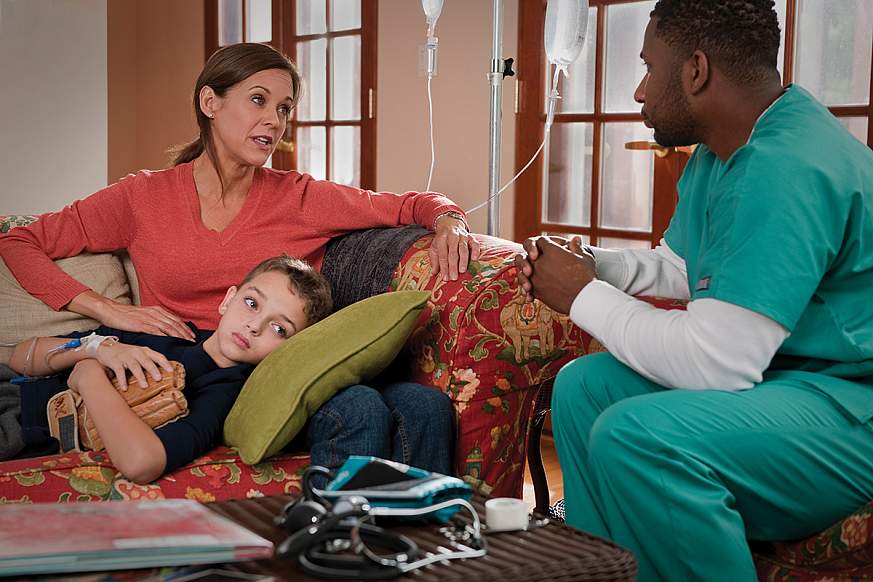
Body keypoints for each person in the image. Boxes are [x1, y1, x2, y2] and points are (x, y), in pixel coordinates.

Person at [514, 1, 873, 580]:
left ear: (696, 71)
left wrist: (581, 295)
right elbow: (685, 267)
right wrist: (599, 266)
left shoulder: (787, 166)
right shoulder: (724, 149)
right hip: (785, 380)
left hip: (850, 408)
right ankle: (603, 571)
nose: (638, 90)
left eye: (648, 67)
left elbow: (719, 363)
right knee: (584, 386)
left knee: (638, 438)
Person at [0, 42, 458, 481]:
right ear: (209, 102)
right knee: (360, 405)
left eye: (283, 108)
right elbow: (18, 242)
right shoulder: (142, 197)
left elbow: (411, 205)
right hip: (194, 374)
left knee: (425, 406)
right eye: (258, 100)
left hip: (278, 364)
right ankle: (333, 547)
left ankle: (434, 548)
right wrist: (106, 309)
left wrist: (449, 222)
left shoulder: (301, 197)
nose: (273, 121)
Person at [4, 255, 333, 483]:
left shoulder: (224, 392)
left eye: (279, 329)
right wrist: (95, 348)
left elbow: (141, 463)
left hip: (24, 433)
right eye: (251, 303)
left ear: (290, 349)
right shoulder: (165, 329)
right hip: (12, 391)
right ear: (227, 300)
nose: (253, 326)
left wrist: (89, 378)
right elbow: (21, 357)